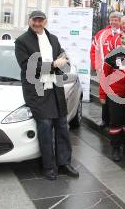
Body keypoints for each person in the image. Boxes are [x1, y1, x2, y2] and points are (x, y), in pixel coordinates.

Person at [14, 10, 79, 181]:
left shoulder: (53, 39)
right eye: (34, 20)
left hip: (55, 89)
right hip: (37, 92)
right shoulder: (22, 41)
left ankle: (64, 163)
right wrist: (52, 65)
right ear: (29, 21)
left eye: (40, 20)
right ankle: (48, 167)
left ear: (45, 22)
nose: (37, 23)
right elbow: (27, 66)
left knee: (62, 127)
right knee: (45, 129)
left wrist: (64, 62)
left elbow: (64, 59)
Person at [100, 31, 125, 162]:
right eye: (122, 38)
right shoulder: (113, 54)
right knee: (116, 121)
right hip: (115, 94)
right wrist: (102, 94)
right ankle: (115, 147)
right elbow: (104, 74)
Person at [90, 11, 122, 126]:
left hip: (119, 71)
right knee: (104, 93)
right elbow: (94, 50)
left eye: (116, 20)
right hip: (104, 70)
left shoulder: (124, 34)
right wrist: (96, 65)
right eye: (112, 19)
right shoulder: (101, 34)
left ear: (120, 21)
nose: (113, 22)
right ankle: (105, 119)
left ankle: (116, 120)